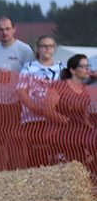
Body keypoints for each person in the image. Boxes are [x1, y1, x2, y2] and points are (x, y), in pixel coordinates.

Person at [0, 16, 35, 170]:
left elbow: (32, 77)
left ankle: (19, 172)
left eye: (7, 29)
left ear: (14, 29)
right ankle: (1, 174)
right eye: (1, 29)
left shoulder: (24, 50)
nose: (5, 32)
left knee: (18, 141)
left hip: (18, 103)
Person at [15, 35, 66, 167]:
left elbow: (68, 91)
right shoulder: (28, 67)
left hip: (56, 119)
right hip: (33, 119)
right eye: (44, 46)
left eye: (50, 46)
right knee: (37, 156)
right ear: (37, 49)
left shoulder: (62, 68)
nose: (47, 49)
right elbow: (21, 91)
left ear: (54, 49)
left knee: (58, 153)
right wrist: (38, 108)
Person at [43, 55, 95, 170]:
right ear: (72, 70)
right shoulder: (59, 86)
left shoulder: (84, 92)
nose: (88, 69)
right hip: (59, 133)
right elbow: (48, 109)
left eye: (88, 66)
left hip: (79, 134)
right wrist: (68, 122)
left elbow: (85, 116)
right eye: (83, 66)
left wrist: (90, 127)